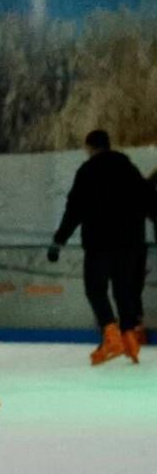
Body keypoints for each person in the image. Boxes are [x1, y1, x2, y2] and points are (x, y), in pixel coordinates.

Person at [48, 129, 157, 365]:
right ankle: (129, 338)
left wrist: (59, 240)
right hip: (130, 243)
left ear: (90, 147)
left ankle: (111, 335)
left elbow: (73, 209)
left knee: (95, 289)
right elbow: (149, 200)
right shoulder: (129, 169)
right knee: (124, 289)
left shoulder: (87, 171)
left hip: (100, 242)